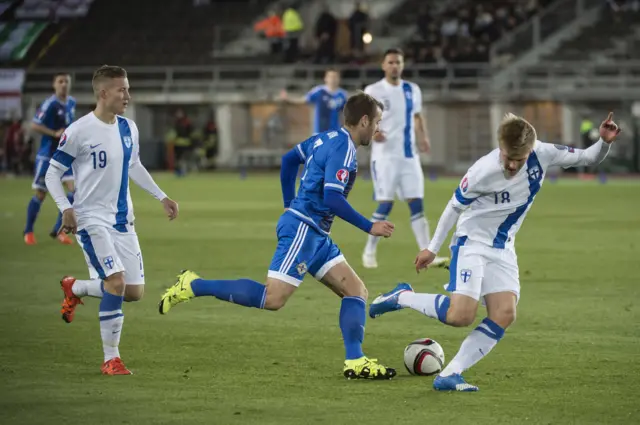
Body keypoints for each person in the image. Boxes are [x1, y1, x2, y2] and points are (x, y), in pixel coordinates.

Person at [369, 112, 621, 391]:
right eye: (508, 157)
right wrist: (431, 248)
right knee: (460, 316)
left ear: (530, 150)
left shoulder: (544, 153)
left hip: (503, 247)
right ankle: (402, 297)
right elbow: (454, 206)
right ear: (500, 147)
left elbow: (588, 157)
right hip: (472, 242)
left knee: (504, 313)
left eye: (520, 159)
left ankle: (450, 374)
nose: (512, 164)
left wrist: (604, 141)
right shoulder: (482, 169)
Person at [159, 92, 397, 380]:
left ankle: (355, 361)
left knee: (356, 291)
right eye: (377, 122)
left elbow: (288, 161)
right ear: (363, 120)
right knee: (273, 298)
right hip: (303, 229)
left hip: (315, 232)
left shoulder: (324, 137)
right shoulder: (344, 149)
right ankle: (194, 285)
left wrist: (288, 202)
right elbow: (332, 198)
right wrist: (369, 226)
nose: (378, 129)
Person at [45, 65, 179, 375]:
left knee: (133, 291)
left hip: (122, 220)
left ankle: (75, 288)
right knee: (116, 282)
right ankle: (111, 359)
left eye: (128, 89)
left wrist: (162, 196)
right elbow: (53, 172)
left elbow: (134, 166)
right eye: (122, 90)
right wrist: (66, 207)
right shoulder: (78, 131)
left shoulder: (128, 128)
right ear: (103, 93)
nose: (128, 95)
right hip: (91, 220)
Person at [361, 48, 447, 269]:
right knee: (385, 204)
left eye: (398, 62)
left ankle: (428, 253)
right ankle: (369, 251)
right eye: (390, 62)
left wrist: (424, 137)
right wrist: (373, 132)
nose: (394, 66)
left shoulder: (412, 89)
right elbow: (364, 118)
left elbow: (417, 116)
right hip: (385, 157)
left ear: (403, 65)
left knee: (416, 203)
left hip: (409, 155)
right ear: (383, 65)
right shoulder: (373, 90)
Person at [24, 73, 76, 245]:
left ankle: (58, 230)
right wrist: (53, 133)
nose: (63, 84)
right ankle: (28, 231)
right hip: (48, 155)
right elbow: (34, 124)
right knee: (41, 193)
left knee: (74, 190)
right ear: (54, 84)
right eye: (60, 81)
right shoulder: (50, 104)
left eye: (66, 81)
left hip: (65, 155)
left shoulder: (71, 102)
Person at [281, 68, 348, 135]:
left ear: (339, 79)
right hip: (319, 131)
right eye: (331, 77)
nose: (333, 79)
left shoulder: (342, 95)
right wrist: (288, 100)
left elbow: (345, 114)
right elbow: (303, 100)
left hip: (334, 132)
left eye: (335, 77)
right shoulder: (319, 91)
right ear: (325, 78)